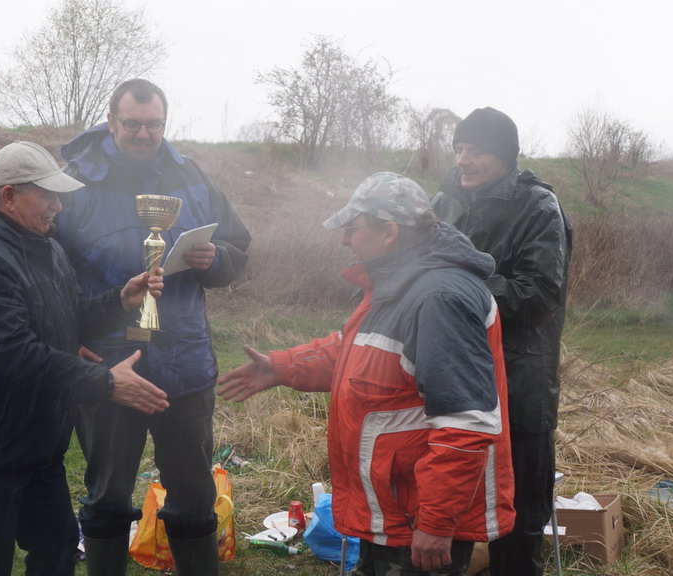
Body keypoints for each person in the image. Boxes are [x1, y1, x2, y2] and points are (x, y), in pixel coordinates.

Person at [217, 172, 515, 576]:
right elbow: (354, 351)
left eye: (352, 229)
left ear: (389, 231)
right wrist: (282, 367)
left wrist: (436, 523)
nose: (344, 240)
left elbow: (466, 423)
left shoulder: (438, 298)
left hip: (420, 520)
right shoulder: (396, 284)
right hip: (395, 508)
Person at [0, 140, 171, 576]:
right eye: (47, 195)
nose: (58, 206)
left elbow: (67, 319)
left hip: (36, 441)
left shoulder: (45, 249)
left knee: (57, 550)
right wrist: (106, 382)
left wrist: (120, 301)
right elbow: (17, 357)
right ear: (10, 197)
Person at [54, 78, 251, 576]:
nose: (144, 134)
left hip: (184, 363)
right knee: (108, 494)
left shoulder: (193, 177)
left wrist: (216, 259)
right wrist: (67, 339)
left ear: (165, 122)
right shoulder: (73, 184)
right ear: (110, 120)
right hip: (108, 365)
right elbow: (48, 273)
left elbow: (238, 249)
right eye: (133, 124)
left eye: (153, 124)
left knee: (193, 493)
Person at [432, 107, 573, 576]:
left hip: (518, 386)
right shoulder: (443, 203)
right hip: (451, 384)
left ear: (505, 156)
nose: (463, 160)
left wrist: (458, 287)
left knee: (517, 525)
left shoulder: (537, 207)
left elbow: (540, 295)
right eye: (458, 149)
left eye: (476, 150)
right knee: (448, 515)